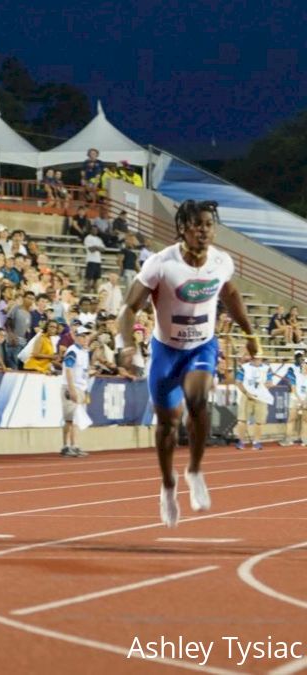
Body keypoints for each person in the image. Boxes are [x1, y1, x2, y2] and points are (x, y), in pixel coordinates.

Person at [118, 200, 258, 528]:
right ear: (182, 228)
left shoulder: (222, 261)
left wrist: (251, 334)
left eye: (208, 224)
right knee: (167, 425)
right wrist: (126, 343)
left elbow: (232, 296)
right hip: (166, 351)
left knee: (198, 400)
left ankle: (195, 470)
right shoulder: (160, 264)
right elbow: (128, 309)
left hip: (202, 347)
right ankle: (168, 485)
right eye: (196, 224)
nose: (203, 231)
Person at [60, 326, 93, 458]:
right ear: (77, 337)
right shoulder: (73, 351)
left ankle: (69, 446)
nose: (85, 338)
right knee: (73, 419)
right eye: (83, 336)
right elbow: (68, 369)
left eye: (87, 336)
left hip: (79, 387)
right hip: (71, 387)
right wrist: (72, 389)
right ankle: (71, 446)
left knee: (72, 419)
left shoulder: (84, 352)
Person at [235, 351, 273, 450]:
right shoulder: (244, 367)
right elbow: (238, 382)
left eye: (259, 358)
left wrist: (265, 386)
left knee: (259, 421)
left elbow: (269, 382)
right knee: (242, 420)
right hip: (247, 396)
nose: (257, 360)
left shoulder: (267, 368)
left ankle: (257, 442)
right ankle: (241, 441)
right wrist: (247, 393)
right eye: (255, 358)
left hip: (261, 397)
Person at [283, 350, 307, 446]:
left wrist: (305, 401)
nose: (305, 366)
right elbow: (293, 388)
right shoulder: (294, 372)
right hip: (295, 399)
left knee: (305, 420)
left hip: (305, 401)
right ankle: (288, 439)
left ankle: (304, 439)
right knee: (291, 419)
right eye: (304, 364)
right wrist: (300, 400)